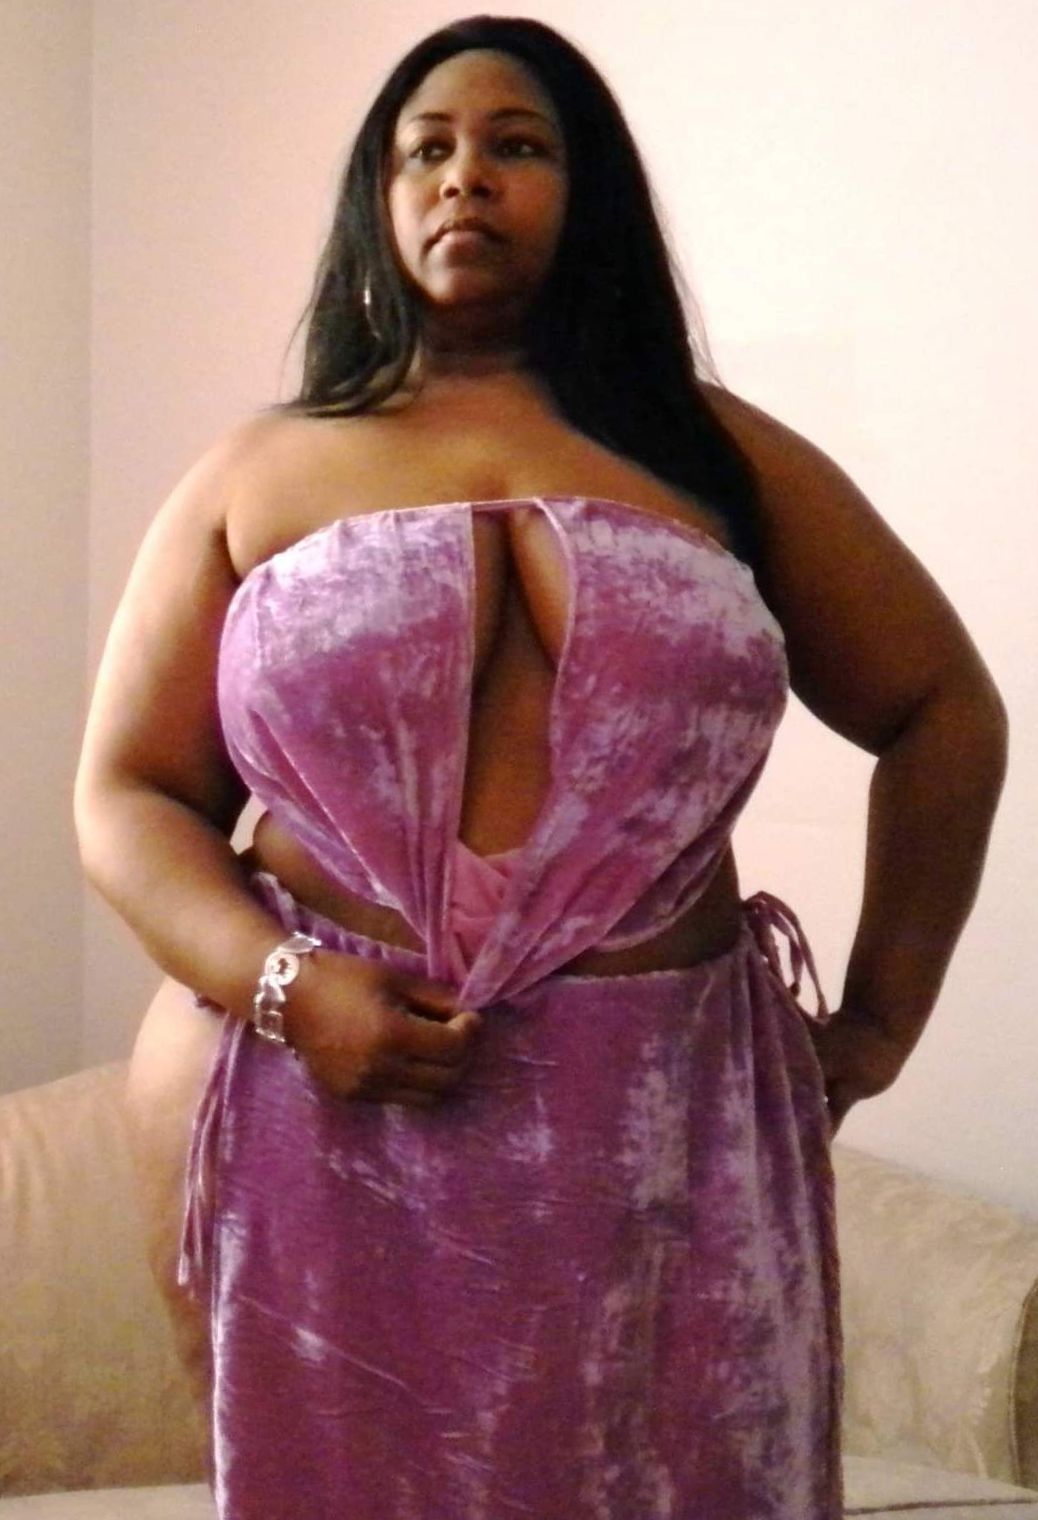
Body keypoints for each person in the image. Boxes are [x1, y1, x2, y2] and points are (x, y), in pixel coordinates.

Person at [74, 15, 1007, 1520]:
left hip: (666, 1132)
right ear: (378, 202)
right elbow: (125, 797)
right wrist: (287, 988)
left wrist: (885, 1018)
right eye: (425, 150)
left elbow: (941, 710)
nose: (466, 177)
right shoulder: (255, 471)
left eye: (518, 146)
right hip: (320, 1102)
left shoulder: (718, 455)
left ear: (591, 195)